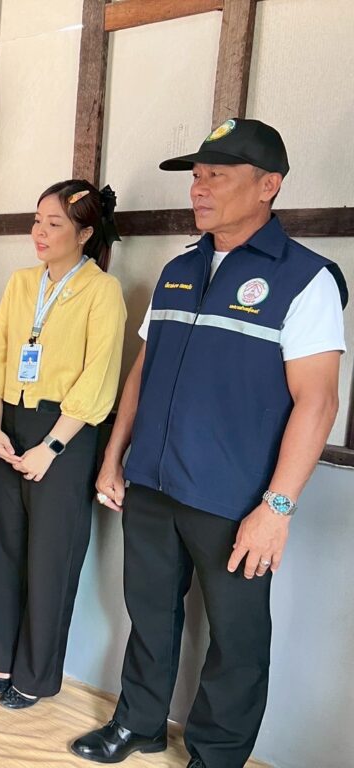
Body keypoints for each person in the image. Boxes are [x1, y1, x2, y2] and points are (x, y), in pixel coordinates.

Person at [71, 119, 347, 768]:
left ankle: (217, 755)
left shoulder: (305, 278)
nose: (199, 189)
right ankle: (139, 724)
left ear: (268, 186)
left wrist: (277, 508)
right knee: (149, 614)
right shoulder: (179, 269)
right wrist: (114, 458)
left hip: (237, 499)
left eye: (216, 176)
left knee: (236, 638)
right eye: (196, 177)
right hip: (153, 483)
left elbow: (319, 401)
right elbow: (143, 371)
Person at [0, 180, 126, 710]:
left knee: (51, 559)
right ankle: (1, 659)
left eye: (54, 224)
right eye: (37, 220)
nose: (40, 232)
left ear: (84, 234)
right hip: (9, 426)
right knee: (1, 546)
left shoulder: (102, 291)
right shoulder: (21, 283)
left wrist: (53, 446)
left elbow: (98, 376)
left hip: (66, 435)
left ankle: (35, 677)